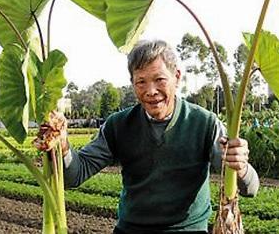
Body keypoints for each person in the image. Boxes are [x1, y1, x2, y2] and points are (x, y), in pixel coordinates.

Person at [48, 40, 259, 234]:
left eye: (159, 79)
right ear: (132, 83)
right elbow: (75, 175)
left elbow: (250, 188)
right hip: (131, 229)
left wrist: (241, 167)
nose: (151, 91)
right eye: (141, 82)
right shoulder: (118, 125)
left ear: (176, 77)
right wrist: (63, 146)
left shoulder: (204, 123)